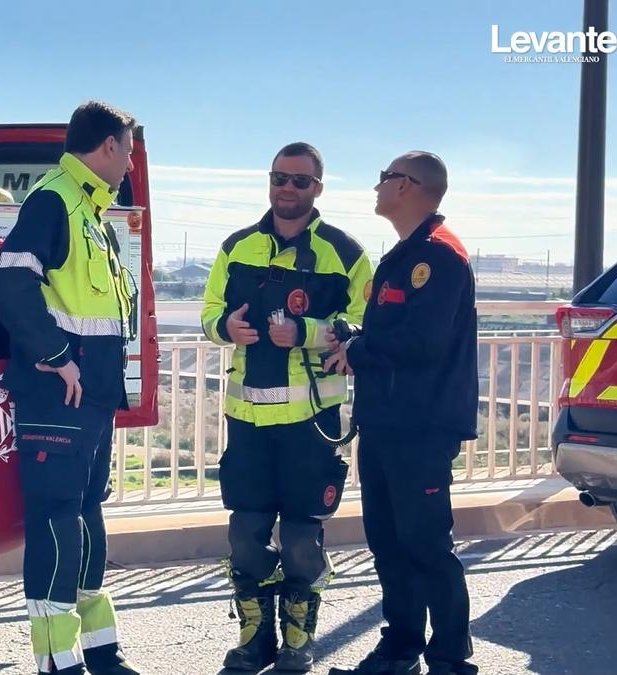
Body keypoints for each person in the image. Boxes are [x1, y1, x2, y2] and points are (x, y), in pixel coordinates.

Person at [201, 142, 373, 673]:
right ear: (270, 181)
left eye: (300, 181)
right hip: (248, 420)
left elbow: (366, 326)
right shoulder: (236, 247)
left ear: (318, 188)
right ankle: (255, 639)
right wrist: (223, 327)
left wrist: (305, 332)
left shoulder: (346, 254)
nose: (288, 188)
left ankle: (299, 640)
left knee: (302, 535)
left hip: (311, 423)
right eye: (280, 178)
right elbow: (209, 314)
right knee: (246, 533)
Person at [0, 100, 141, 675]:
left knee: (85, 516)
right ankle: (58, 660)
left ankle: (99, 653)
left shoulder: (90, 211)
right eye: (126, 149)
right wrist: (56, 357)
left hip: (93, 396)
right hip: (61, 394)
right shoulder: (54, 199)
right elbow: (12, 281)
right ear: (106, 146)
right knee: (56, 517)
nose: (128, 163)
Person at [324, 152, 479, 675]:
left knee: (426, 544)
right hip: (387, 423)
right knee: (389, 543)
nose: (377, 185)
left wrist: (360, 352)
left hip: (421, 428)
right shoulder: (406, 254)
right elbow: (398, 334)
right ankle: (401, 645)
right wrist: (360, 341)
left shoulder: (438, 257)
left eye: (385, 177)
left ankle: (450, 656)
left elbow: (425, 342)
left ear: (409, 187)